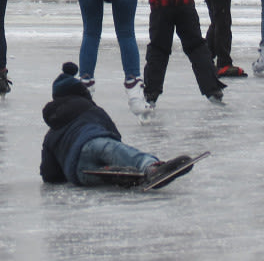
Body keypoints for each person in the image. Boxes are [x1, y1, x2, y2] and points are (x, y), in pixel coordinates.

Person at [40, 62, 197, 189]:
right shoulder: (89, 107)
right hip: (95, 143)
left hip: (77, 169)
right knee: (124, 153)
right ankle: (151, 168)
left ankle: (109, 172)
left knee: (96, 175)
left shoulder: (51, 133)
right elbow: (112, 131)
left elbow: (49, 174)